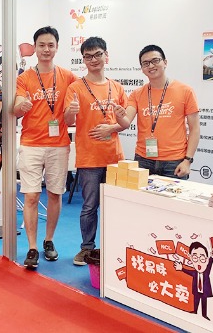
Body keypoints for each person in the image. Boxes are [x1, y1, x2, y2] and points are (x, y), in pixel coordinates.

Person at [13, 26, 77, 269]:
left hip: (58, 145)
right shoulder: (24, 78)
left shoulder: (68, 77)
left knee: (54, 194)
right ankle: (32, 247)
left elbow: (72, 112)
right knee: (31, 195)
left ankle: (48, 240)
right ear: (35, 48)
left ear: (57, 47)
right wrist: (21, 106)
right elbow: (16, 108)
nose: (46, 49)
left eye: (51, 45)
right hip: (31, 144)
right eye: (42, 45)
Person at [64, 37, 130, 266]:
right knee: (89, 206)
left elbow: (125, 123)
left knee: (115, 205)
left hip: (114, 157)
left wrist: (115, 124)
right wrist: (71, 111)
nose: (93, 60)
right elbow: (67, 121)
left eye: (98, 54)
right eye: (88, 56)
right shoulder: (75, 88)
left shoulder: (117, 87)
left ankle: (114, 247)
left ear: (106, 56)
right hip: (89, 157)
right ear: (83, 60)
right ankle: (87, 248)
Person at [122, 44, 199, 179]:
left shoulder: (185, 91)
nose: (151, 66)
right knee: (140, 194)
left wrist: (188, 160)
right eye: (146, 63)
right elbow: (125, 121)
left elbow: (195, 128)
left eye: (155, 60)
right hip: (143, 159)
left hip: (174, 161)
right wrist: (118, 116)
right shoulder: (137, 94)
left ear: (165, 62)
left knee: (173, 194)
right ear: (142, 68)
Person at [174, 242, 213, 320]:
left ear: (206, 260)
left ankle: (204, 315)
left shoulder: (206, 271)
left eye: (202, 259)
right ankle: (195, 311)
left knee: (204, 302)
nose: (199, 262)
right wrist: (181, 268)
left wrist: (212, 256)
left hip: (204, 291)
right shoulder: (194, 273)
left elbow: (210, 264)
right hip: (197, 290)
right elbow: (188, 271)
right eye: (195, 258)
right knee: (196, 300)